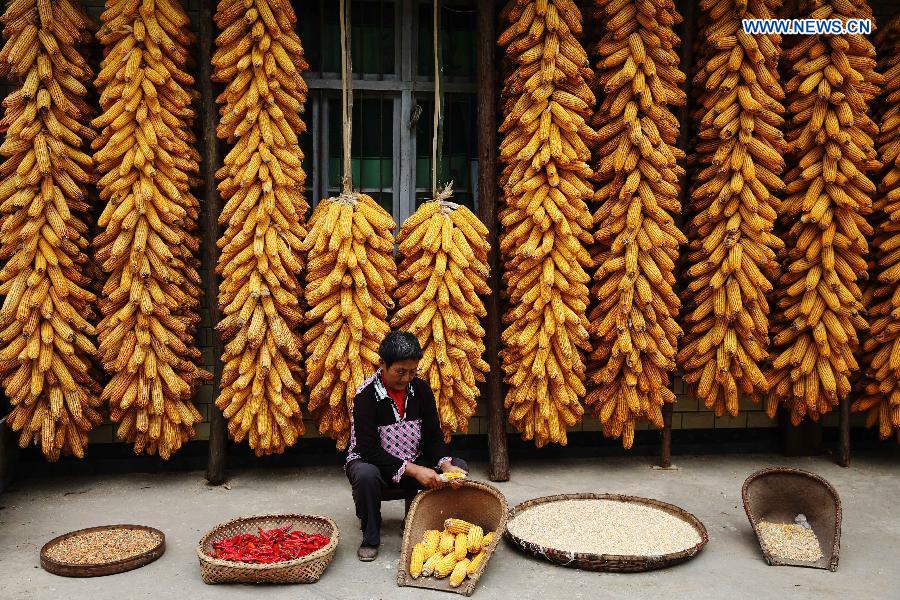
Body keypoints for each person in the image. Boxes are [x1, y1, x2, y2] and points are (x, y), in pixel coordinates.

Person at [345, 331, 468, 561]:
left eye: (412, 372)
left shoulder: (420, 390)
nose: (406, 379)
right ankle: (371, 535)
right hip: (375, 464)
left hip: (413, 457)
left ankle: (416, 519)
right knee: (365, 474)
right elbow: (368, 450)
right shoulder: (365, 396)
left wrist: (446, 465)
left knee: (458, 466)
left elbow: (433, 436)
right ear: (382, 364)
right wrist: (414, 469)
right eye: (400, 372)